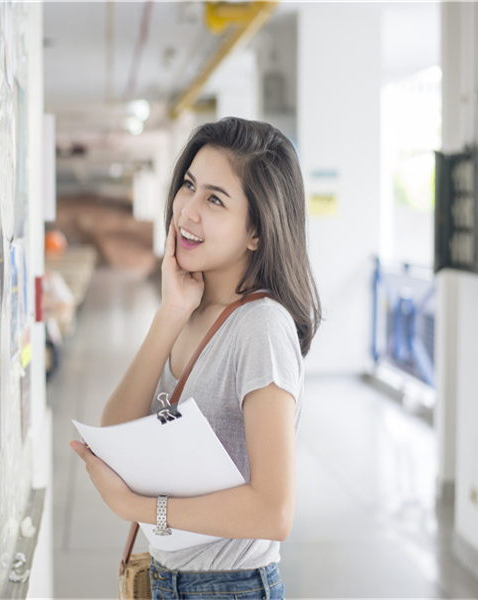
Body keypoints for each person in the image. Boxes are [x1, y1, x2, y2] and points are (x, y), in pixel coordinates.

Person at [70, 117, 322, 600]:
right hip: (169, 581)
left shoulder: (261, 327)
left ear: (256, 231)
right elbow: (116, 434)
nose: (186, 210)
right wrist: (170, 314)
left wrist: (141, 508)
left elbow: (275, 512)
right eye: (188, 185)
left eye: (215, 199)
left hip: (230, 588)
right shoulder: (190, 308)